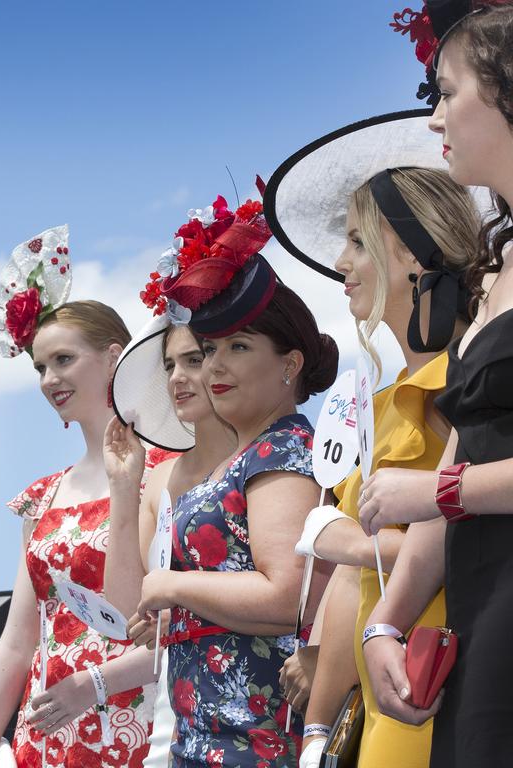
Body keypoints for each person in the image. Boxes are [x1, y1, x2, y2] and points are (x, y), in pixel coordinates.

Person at [265, 109, 482, 765]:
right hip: (389, 695)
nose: (340, 262)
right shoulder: (384, 402)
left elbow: (467, 536)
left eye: (357, 241)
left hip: (442, 682)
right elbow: (354, 595)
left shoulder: (460, 387)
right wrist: (316, 729)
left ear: (412, 255)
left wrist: (346, 540)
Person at [132, 192, 338, 767]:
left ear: (290, 365)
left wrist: (171, 587)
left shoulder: (283, 451)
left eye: (238, 348)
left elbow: (283, 597)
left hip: (258, 740)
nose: (216, 365)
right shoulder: (247, 456)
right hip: (209, 736)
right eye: (212, 349)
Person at [357, 4, 513, 766]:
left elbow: (444, 487)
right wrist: (386, 620)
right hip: (486, 619)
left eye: (446, 93)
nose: (434, 118)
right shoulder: (497, 276)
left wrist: (441, 495)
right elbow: (462, 454)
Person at [0, 226, 158, 768]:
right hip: (48, 736)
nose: (49, 378)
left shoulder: (169, 474)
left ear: (114, 357)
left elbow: (184, 626)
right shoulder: (41, 497)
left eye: (63, 360)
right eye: (39, 367)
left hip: (142, 725)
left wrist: (95, 682)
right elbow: (17, 637)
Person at [102, 241, 239, 767]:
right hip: (174, 720)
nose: (179, 376)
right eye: (170, 364)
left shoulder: (266, 459)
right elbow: (125, 609)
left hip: (253, 709)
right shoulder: (157, 481)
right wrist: (124, 486)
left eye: (195, 359)